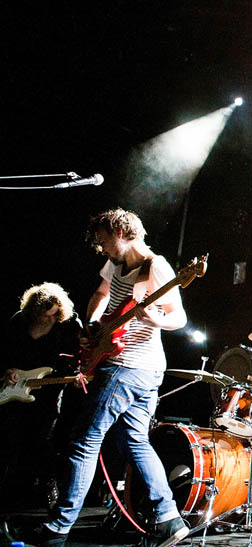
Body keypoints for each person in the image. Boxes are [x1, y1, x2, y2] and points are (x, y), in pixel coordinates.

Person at [12, 209, 190, 547]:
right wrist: (93, 327)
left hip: (131, 365)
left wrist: (153, 317)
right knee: (135, 441)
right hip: (133, 365)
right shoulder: (117, 264)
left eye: (105, 241)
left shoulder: (157, 267)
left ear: (123, 234)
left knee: (84, 441)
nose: (101, 248)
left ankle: (58, 528)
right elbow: (101, 294)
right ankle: (169, 520)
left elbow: (178, 317)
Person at [1, 282, 82, 510]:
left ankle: (47, 486)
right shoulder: (19, 320)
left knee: (43, 438)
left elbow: (78, 356)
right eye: (43, 314)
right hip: (15, 389)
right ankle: (13, 491)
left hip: (49, 387)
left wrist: (75, 375)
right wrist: (7, 369)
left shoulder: (68, 324)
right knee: (11, 437)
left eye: (53, 314)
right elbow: (5, 350)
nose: (47, 318)